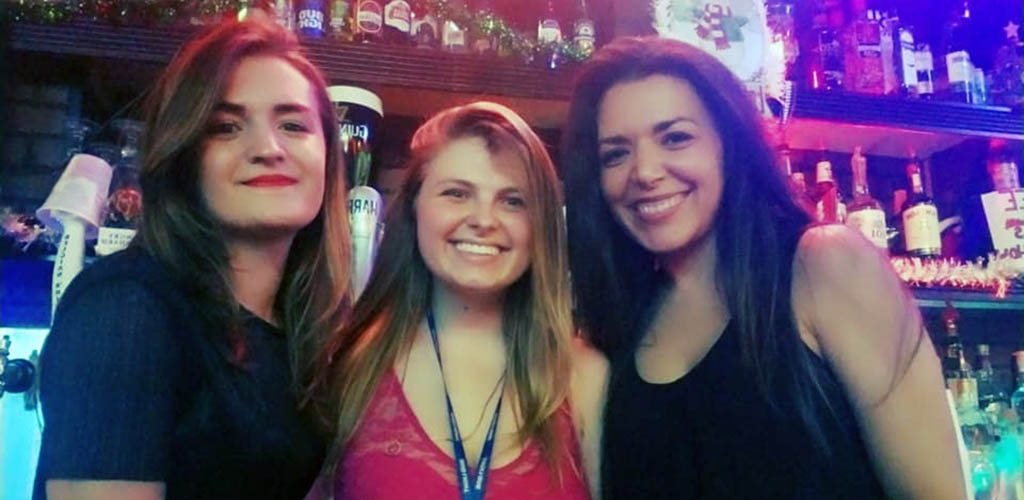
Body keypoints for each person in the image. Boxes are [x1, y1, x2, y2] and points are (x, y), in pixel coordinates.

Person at [561, 36, 965, 499]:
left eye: (675, 138)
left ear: (728, 146)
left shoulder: (822, 266)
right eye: (616, 154)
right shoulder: (616, 336)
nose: (645, 172)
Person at [34, 18, 352, 500]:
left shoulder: (302, 329)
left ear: (328, 155)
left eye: (293, 125)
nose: (269, 149)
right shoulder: (126, 308)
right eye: (226, 128)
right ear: (183, 157)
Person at [303, 101, 607, 500]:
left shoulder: (585, 377)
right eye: (457, 193)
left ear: (541, 226)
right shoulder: (348, 363)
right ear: (414, 207)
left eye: (513, 200)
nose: (484, 220)